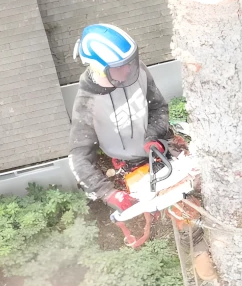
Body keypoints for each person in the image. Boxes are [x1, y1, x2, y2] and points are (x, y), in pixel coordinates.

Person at [68, 23, 170, 212]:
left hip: (155, 148)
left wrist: (153, 135)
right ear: (100, 69)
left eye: (130, 63)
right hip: (125, 167)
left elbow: (159, 108)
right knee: (152, 212)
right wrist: (107, 193)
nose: (128, 70)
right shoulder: (87, 104)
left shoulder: (138, 71)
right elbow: (79, 157)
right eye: (120, 67)